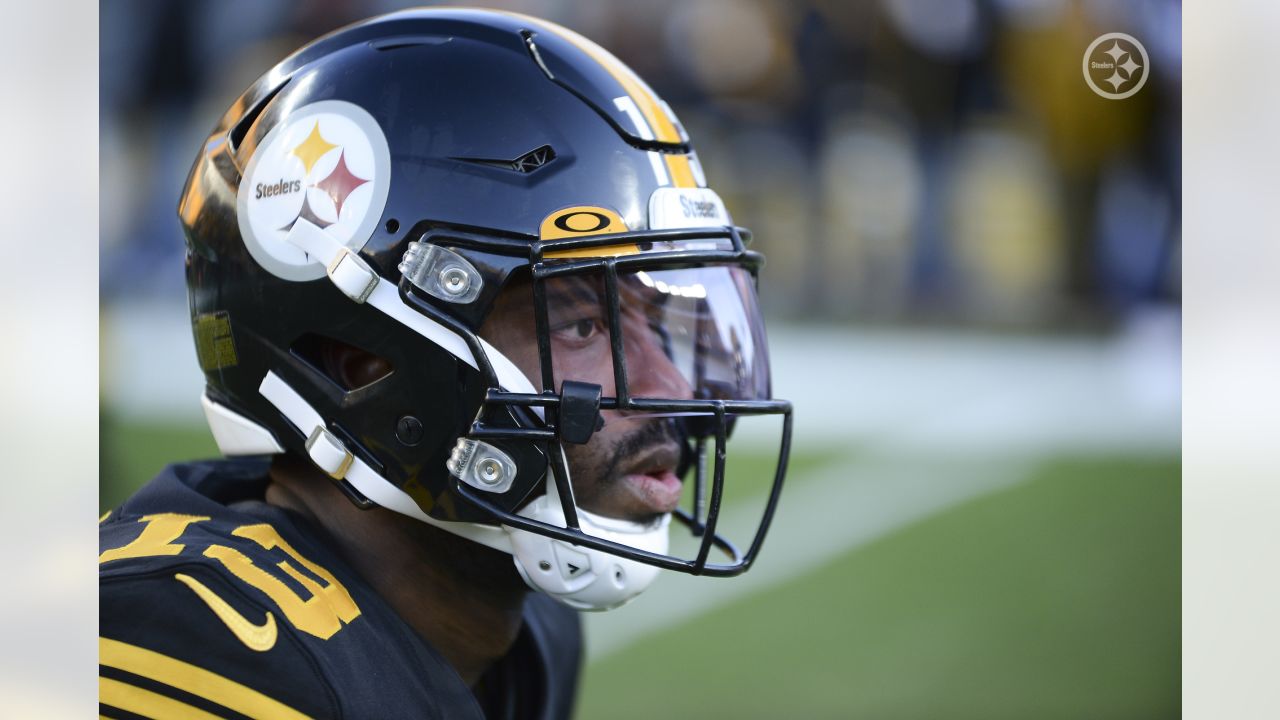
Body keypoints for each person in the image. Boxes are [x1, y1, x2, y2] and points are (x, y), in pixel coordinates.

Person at [99, 8, 792, 719]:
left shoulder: (523, 629)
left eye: (656, 319)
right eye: (586, 324)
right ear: (362, 365)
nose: (671, 389)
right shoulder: (187, 649)